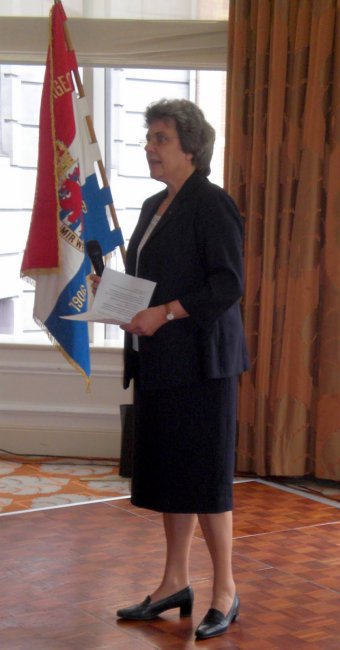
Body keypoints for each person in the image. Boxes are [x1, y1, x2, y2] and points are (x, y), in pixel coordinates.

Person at [97, 98, 249, 640]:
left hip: (203, 364)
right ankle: (174, 583)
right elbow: (152, 279)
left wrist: (164, 312)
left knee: (204, 478)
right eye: (149, 139)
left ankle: (225, 590)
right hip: (160, 360)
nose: (149, 148)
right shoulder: (152, 205)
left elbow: (227, 284)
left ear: (192, 147)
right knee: (173, 474)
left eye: (160, 139)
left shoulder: (213, 204)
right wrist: (115, 297)